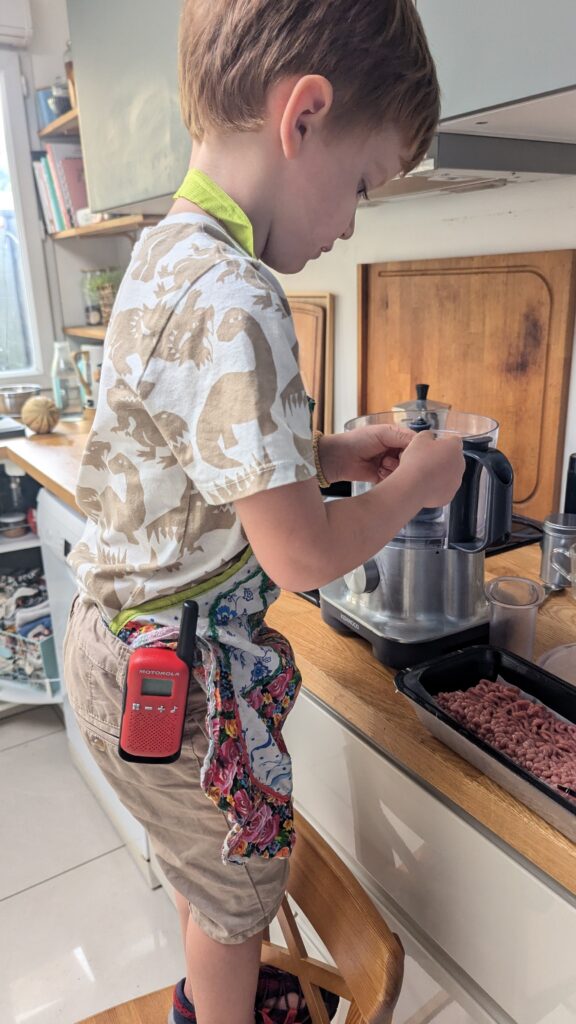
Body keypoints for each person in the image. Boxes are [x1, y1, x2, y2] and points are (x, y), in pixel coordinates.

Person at [63, 2, 465, 1023]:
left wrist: (326, 454)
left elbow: (211, 457)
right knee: (240, 882)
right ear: (305, 116)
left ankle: (218, 996)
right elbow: (298, 558)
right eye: (365, 184)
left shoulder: (165, 250)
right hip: (179, 671)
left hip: (112, 643)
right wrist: (410, 488)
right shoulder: (242, 296)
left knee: (208, 867)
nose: (349, 224)